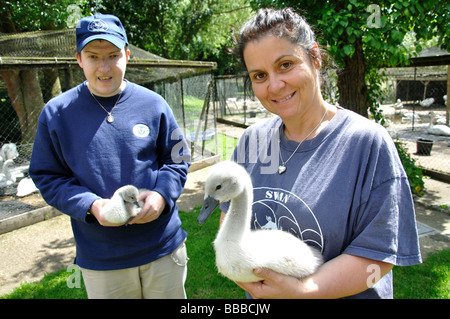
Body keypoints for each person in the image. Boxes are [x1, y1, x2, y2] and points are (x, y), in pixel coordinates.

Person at [220, 8, 422, 299]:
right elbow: (231, 219)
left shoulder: (366, 143)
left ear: (315, 57)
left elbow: (378, 255)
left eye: (286, 65)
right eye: (260, 75)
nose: (274, 85)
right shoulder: (252, 141)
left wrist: (304, 290)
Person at [29, 13, 190, 299]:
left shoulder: (154, 104)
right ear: (79, 59)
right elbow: (47, 176)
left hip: (163, 247)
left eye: (113, 55)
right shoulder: (56, 114)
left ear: (127, 55)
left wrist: (162, 195)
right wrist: (91, 206)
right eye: (93, 56)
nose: (104, 68)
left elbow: (177, 159)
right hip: (103, 258)